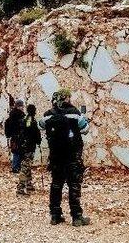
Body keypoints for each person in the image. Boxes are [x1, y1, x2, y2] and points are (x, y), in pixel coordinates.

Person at [39, 89, 91, 227]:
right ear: (67, 98)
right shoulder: (75, 113)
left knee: (56, 184)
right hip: (72, 155)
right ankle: (77, 217)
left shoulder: (47, 115)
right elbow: (85, 129)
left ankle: (55, 215)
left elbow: (40, 125)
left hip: (56, 156)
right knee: (74, 185)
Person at [16, 104, 42, 196]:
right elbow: (33, 132)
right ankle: (20, 189)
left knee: (27, 166)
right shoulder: (31, 120)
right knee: (25, 167)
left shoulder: (25, 119)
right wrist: (38, 140)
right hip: (29, 147)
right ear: (34, 111)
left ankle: (29, 185)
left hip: (24, 147)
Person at [4, 99, 26, 174]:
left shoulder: (11, 115)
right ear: (18, 106)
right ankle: (16, 168)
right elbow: (22, 126)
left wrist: (8, 135)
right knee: (18, 152)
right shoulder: (19, 115)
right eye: (21, 106)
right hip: (18, 136)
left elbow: (7, 125)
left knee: (16, 152)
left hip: (14, 136)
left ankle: (16, 167)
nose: (23, 107)